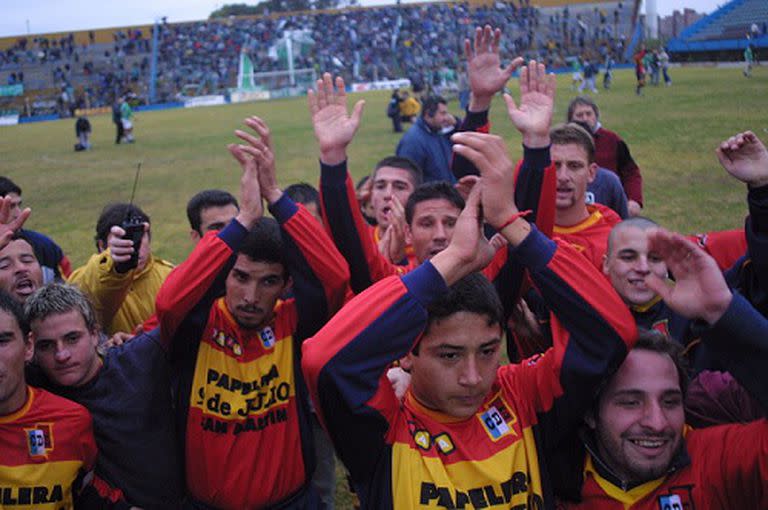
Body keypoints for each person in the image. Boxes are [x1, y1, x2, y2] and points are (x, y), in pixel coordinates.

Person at [303, 130, 637, 508]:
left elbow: (612, 331)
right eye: (449, 355)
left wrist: (513, 223)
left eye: (488, 351)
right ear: (407, 355)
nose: (474, 377)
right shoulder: (384, 425)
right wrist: (453, 260)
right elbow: (323, 360)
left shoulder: (521, 395)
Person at [155, 116, 350, 509]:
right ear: (223, 271)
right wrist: (242, 219)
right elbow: (168, 301)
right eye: (240, 277)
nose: (250, 296)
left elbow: (335, 277)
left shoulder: (292, 322)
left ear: (286, 285)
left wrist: (276, 195)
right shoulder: (199, 325)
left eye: (268, 282)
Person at [557, 229, 768, 509]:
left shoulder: (722, 461)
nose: (657, 423)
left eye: (670, 401)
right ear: (590, 412)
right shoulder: (552, 477)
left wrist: (724, 313)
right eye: (631, 402)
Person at [25, 283, 184, 509]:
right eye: (46, 345)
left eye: (72, 338)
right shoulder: (28, 389)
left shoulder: (141, 357)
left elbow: (194, 305)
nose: (61, 355)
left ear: (94, 334)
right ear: (30, 350)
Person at [0, 289, 105, 510]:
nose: (62, 355)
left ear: (28, 347)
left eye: (2, 341)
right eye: (48, 345)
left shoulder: (72, 421)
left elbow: (89, 494)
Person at [68, 203, 174, 335]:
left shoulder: (170, 274)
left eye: (139, 235)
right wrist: (115, 266)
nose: (134, 245)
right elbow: (90, 289)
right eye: (123, 238)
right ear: (102, 245)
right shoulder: (86, 277)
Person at [567, 96, 644, 216]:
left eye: (589, 114)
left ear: (596, 116)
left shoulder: (612, 140)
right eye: (580, 115)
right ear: (570, 119)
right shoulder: (560, 144)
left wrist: (634, 200)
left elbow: (631, 172)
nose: (585, 119)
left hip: (609, 209)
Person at [0, 176, 72, 282]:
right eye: (10, 206)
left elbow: (70, 284)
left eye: (27, 260)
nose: (18, 214)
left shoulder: (45, 246)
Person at [396, 95, 457, 184]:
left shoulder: (439, 131)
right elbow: (406, 178)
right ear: (428, 115)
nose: (447, 118)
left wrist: (457, 123)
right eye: (443, 113)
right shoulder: (413, 142)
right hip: (432, 196)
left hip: (446, 194)